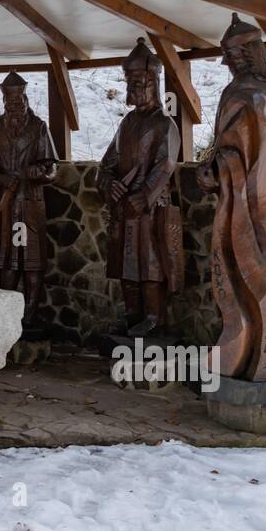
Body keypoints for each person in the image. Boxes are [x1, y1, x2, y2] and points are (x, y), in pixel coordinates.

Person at [196, 14, 266, 382]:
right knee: (261, 267)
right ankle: (261, 349)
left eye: (231, 55)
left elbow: (233, 153)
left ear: (247, 53)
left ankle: (260, 350)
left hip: (245, 203)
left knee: (242, 265)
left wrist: (215, 171)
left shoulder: (246, 94)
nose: (227, 63)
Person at [97, 39, 182, 337]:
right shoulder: (127, 124)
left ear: (152, 84)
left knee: (150, 265)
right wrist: (109, 184)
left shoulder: (165, 125)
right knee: (125, 265)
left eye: (137, 83)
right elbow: (107, 162)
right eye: (129, 82)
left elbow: (165, 165)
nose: (131, 89)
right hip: (125, 210)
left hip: (149, 211)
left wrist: (144, 195)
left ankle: (154, 318)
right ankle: (133, 315)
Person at [0, 71, 59, 333]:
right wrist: (1, 179)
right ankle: (7, 317)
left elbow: (52, 170)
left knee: (32, 261)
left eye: (18, 101)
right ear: (4, 103)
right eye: (9, 103)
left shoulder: (39, 127)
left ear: (25, 99)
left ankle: (30, 317)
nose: (14, 107)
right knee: (7, 260)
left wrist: (39, 173)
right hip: (6, 205)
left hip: (31, 205)